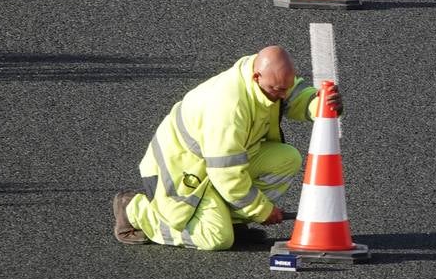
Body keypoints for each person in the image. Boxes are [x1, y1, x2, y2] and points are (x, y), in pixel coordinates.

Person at [112, 45, 343, 250]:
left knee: (287, 158)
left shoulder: (269, 81)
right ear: (256, 76)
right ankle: (136, 210)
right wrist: (261, 211)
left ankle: (233, 221)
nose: (282, 96)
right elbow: (226, 174)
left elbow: (295, 96)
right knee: (216, 238)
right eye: (277, 90)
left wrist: (320, 105)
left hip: (213, 165)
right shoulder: (228, 108)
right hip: (178, 173)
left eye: (286, 87)